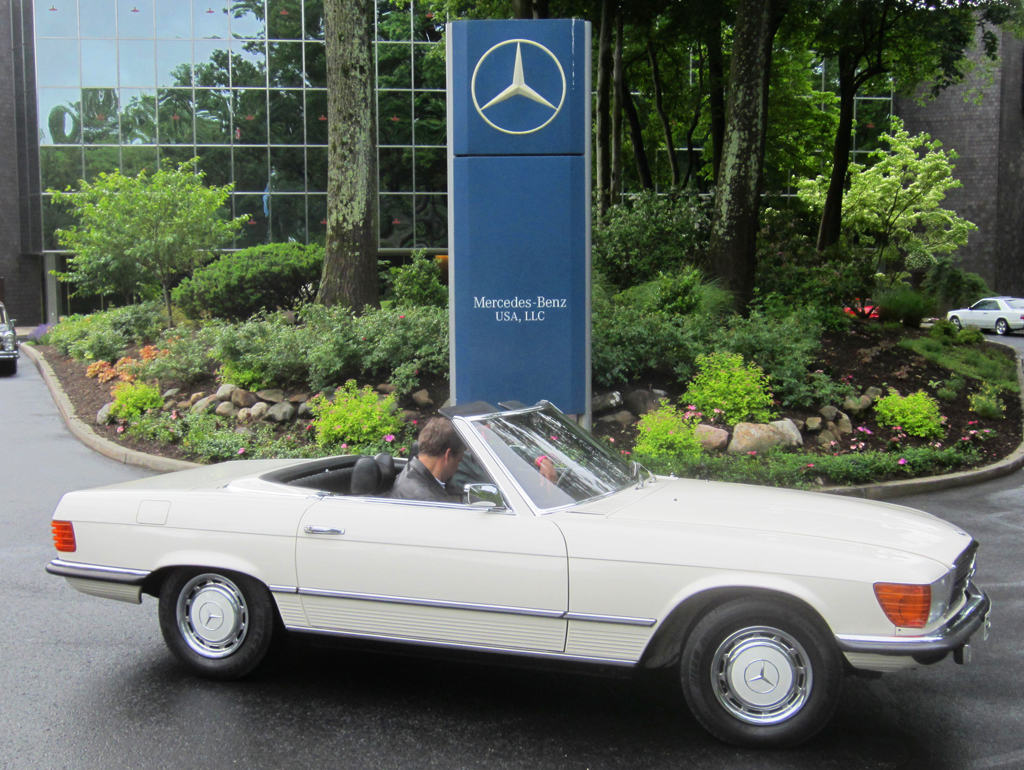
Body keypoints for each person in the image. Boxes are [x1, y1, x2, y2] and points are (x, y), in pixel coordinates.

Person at [390, 417, 466, 503]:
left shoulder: (410, 471)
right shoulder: (429, 501)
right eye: (459, 460)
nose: (457, 468)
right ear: (447, 455)